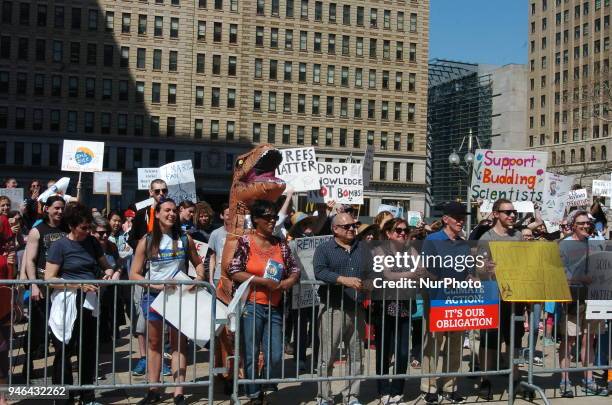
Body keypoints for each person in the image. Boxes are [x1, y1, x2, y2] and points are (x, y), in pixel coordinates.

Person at [130, 197, 206, 405]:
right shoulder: (146, 240)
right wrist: (155, 285)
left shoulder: (184, 238)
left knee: (178, 345)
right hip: (154, 298)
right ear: (158, 213)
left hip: (179, 299)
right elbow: (134, 274)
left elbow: (199, 265)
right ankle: (153, 389)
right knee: (154, 345)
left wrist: (197, 280)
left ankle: (178, 392)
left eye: (174, 210)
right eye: (167, 210)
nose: (171, 214)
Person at [44, 202, 120, 405]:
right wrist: (79, 285)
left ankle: (87, 397)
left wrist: (109, 273)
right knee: (64, 350)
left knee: (87, 350)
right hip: (67, 301)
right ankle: (63, 397)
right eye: (83, 228)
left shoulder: (93, 243)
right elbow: (50, 279)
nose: (88, 231)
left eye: (89, 227)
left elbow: (106, 265)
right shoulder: (59, 245)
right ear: (71, 225)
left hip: (89, 302)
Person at [229, 200, 300, 405]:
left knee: (276, 355)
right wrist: (262, 281)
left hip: (275, 307)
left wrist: (287, 282)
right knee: (250, 353)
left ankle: (260, 383)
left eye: (275, 217)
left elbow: (295, 269)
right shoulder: (245, 241)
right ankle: (254, 395)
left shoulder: (280, 243)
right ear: (256, 219)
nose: (272, 221)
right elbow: (234, 271)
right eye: (268, 217)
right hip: (251, 305)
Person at [314, 213, 371, 405]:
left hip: (356, 308)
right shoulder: (324, 248)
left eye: (353, 225)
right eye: (346, 226)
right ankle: (324, 396)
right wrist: (343, 280)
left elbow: (372, 270)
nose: (351, 229)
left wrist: (370, 282)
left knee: (356, 356)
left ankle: (351, 396)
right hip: (333, 308)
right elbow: (319, 271)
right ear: (335, 229)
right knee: (327, 355)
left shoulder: (362, 248)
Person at [420, 201, 470, 404]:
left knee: (456, 345)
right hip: (436, 298)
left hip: (458, 299)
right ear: (445, 219)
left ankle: (451, 386)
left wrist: (474, 276)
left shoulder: (464, 244)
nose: (461, 220)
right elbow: (426, 269)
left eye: (462, 217)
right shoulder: (432, 240)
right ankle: (429, 386)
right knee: (433, 344)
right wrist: (442, 280)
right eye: (457, 217)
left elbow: (468, 271)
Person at [373, 218, 426, 405]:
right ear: (388, 233)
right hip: (384, 307)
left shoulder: (411, 250)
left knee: (403, 352)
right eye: (398, 230)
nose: (403, 233)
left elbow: (421, 270)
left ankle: (398, 390)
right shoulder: (380, 250)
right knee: (384, 351)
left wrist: (408, 275)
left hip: (404, 307)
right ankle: (383, 388)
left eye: (405, 230)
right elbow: (388, 275)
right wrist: (410, 275)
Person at [477, 199, 525, 399]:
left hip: (515, 296)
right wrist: (485, 269)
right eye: (507, 212)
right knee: (489, 341)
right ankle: (486, 380)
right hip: (492, 295)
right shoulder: (485, 238)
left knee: (514, 340)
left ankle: (514, 379)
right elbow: (478, 267)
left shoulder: (519, 236)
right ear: (496, 214)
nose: (512, 215)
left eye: (514, 212)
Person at [557, 210, 608, 396]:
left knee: (590, 339)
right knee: (569, 340)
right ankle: (564, 381)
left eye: (588, 223)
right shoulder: (564, 245)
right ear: (573, 226)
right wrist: (580, 278)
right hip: (573, 299)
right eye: (581, 223)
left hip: (594, 299)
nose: (586, 226)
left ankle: (588, 379)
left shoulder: (596, 243)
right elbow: (559, 274)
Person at [21, 195, 67, 380]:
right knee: (37, 330)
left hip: (62, 286)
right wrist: (33, 285)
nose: (60, 211)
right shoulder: (37, 231)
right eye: (56, 208)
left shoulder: (67, 228)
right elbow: (30, 260)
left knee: (61, 329)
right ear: (46, 208)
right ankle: (28, 362)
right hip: (41, 285)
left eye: (62, 208)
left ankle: (59, 370)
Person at [127, 179, 169, 250]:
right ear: (151, 192)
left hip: (166, 255)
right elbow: (131, 240)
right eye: (157, 191)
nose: (161, 193)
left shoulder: (172, 213)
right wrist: (144, 245)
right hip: (147, 256)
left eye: (164, 190)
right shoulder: (142, 213)